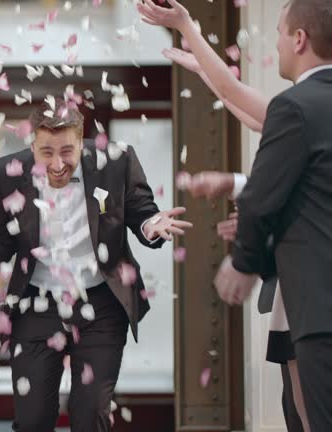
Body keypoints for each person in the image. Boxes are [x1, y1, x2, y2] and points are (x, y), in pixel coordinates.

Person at [137, 1, 325, 429]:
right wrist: (205, 69)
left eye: (279, 32)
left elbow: (245, 104)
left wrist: (187, 26)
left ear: (299, 40)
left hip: (314, 297)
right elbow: (248, 107)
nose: (275, 42)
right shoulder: (305, 108)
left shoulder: (300, 107)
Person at [0, 99, 192, 431]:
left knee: (91, 414)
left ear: (82, 141)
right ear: (32, 144)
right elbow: (2, 237)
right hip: (36, 303)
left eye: (67, 152)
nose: (58, 163)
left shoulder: (116, 161)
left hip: (101, 304)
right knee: (32, 420)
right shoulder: (6, 171)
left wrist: (150, 227)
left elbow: (142, 212)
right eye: (47, 152)